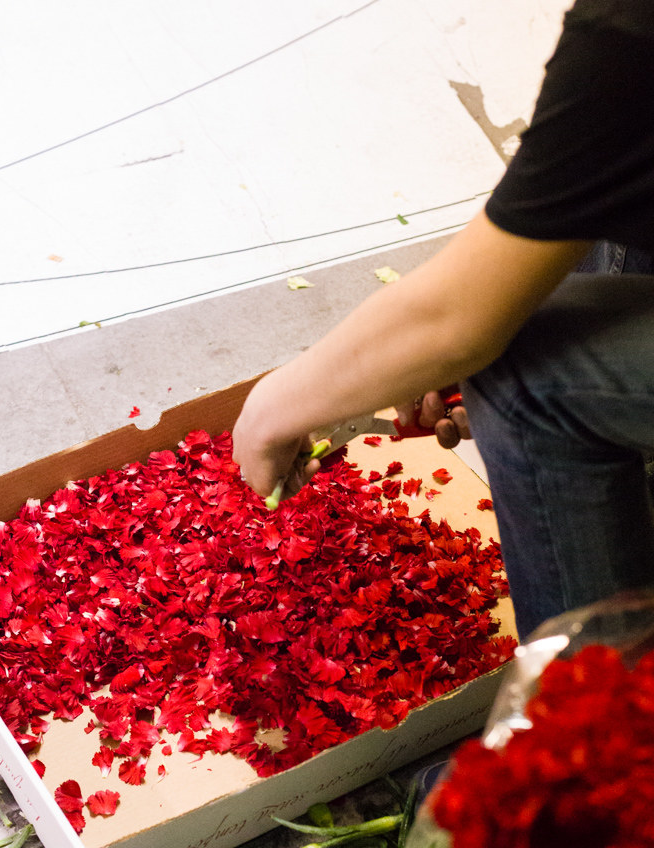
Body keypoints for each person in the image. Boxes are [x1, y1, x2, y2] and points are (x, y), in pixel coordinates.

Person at [232, 0, 654, 641]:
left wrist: (270, 411)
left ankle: (593, 730)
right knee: (589, 254)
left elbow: (456, 321)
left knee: (523, 377)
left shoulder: (629, 28)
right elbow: (570, 189)